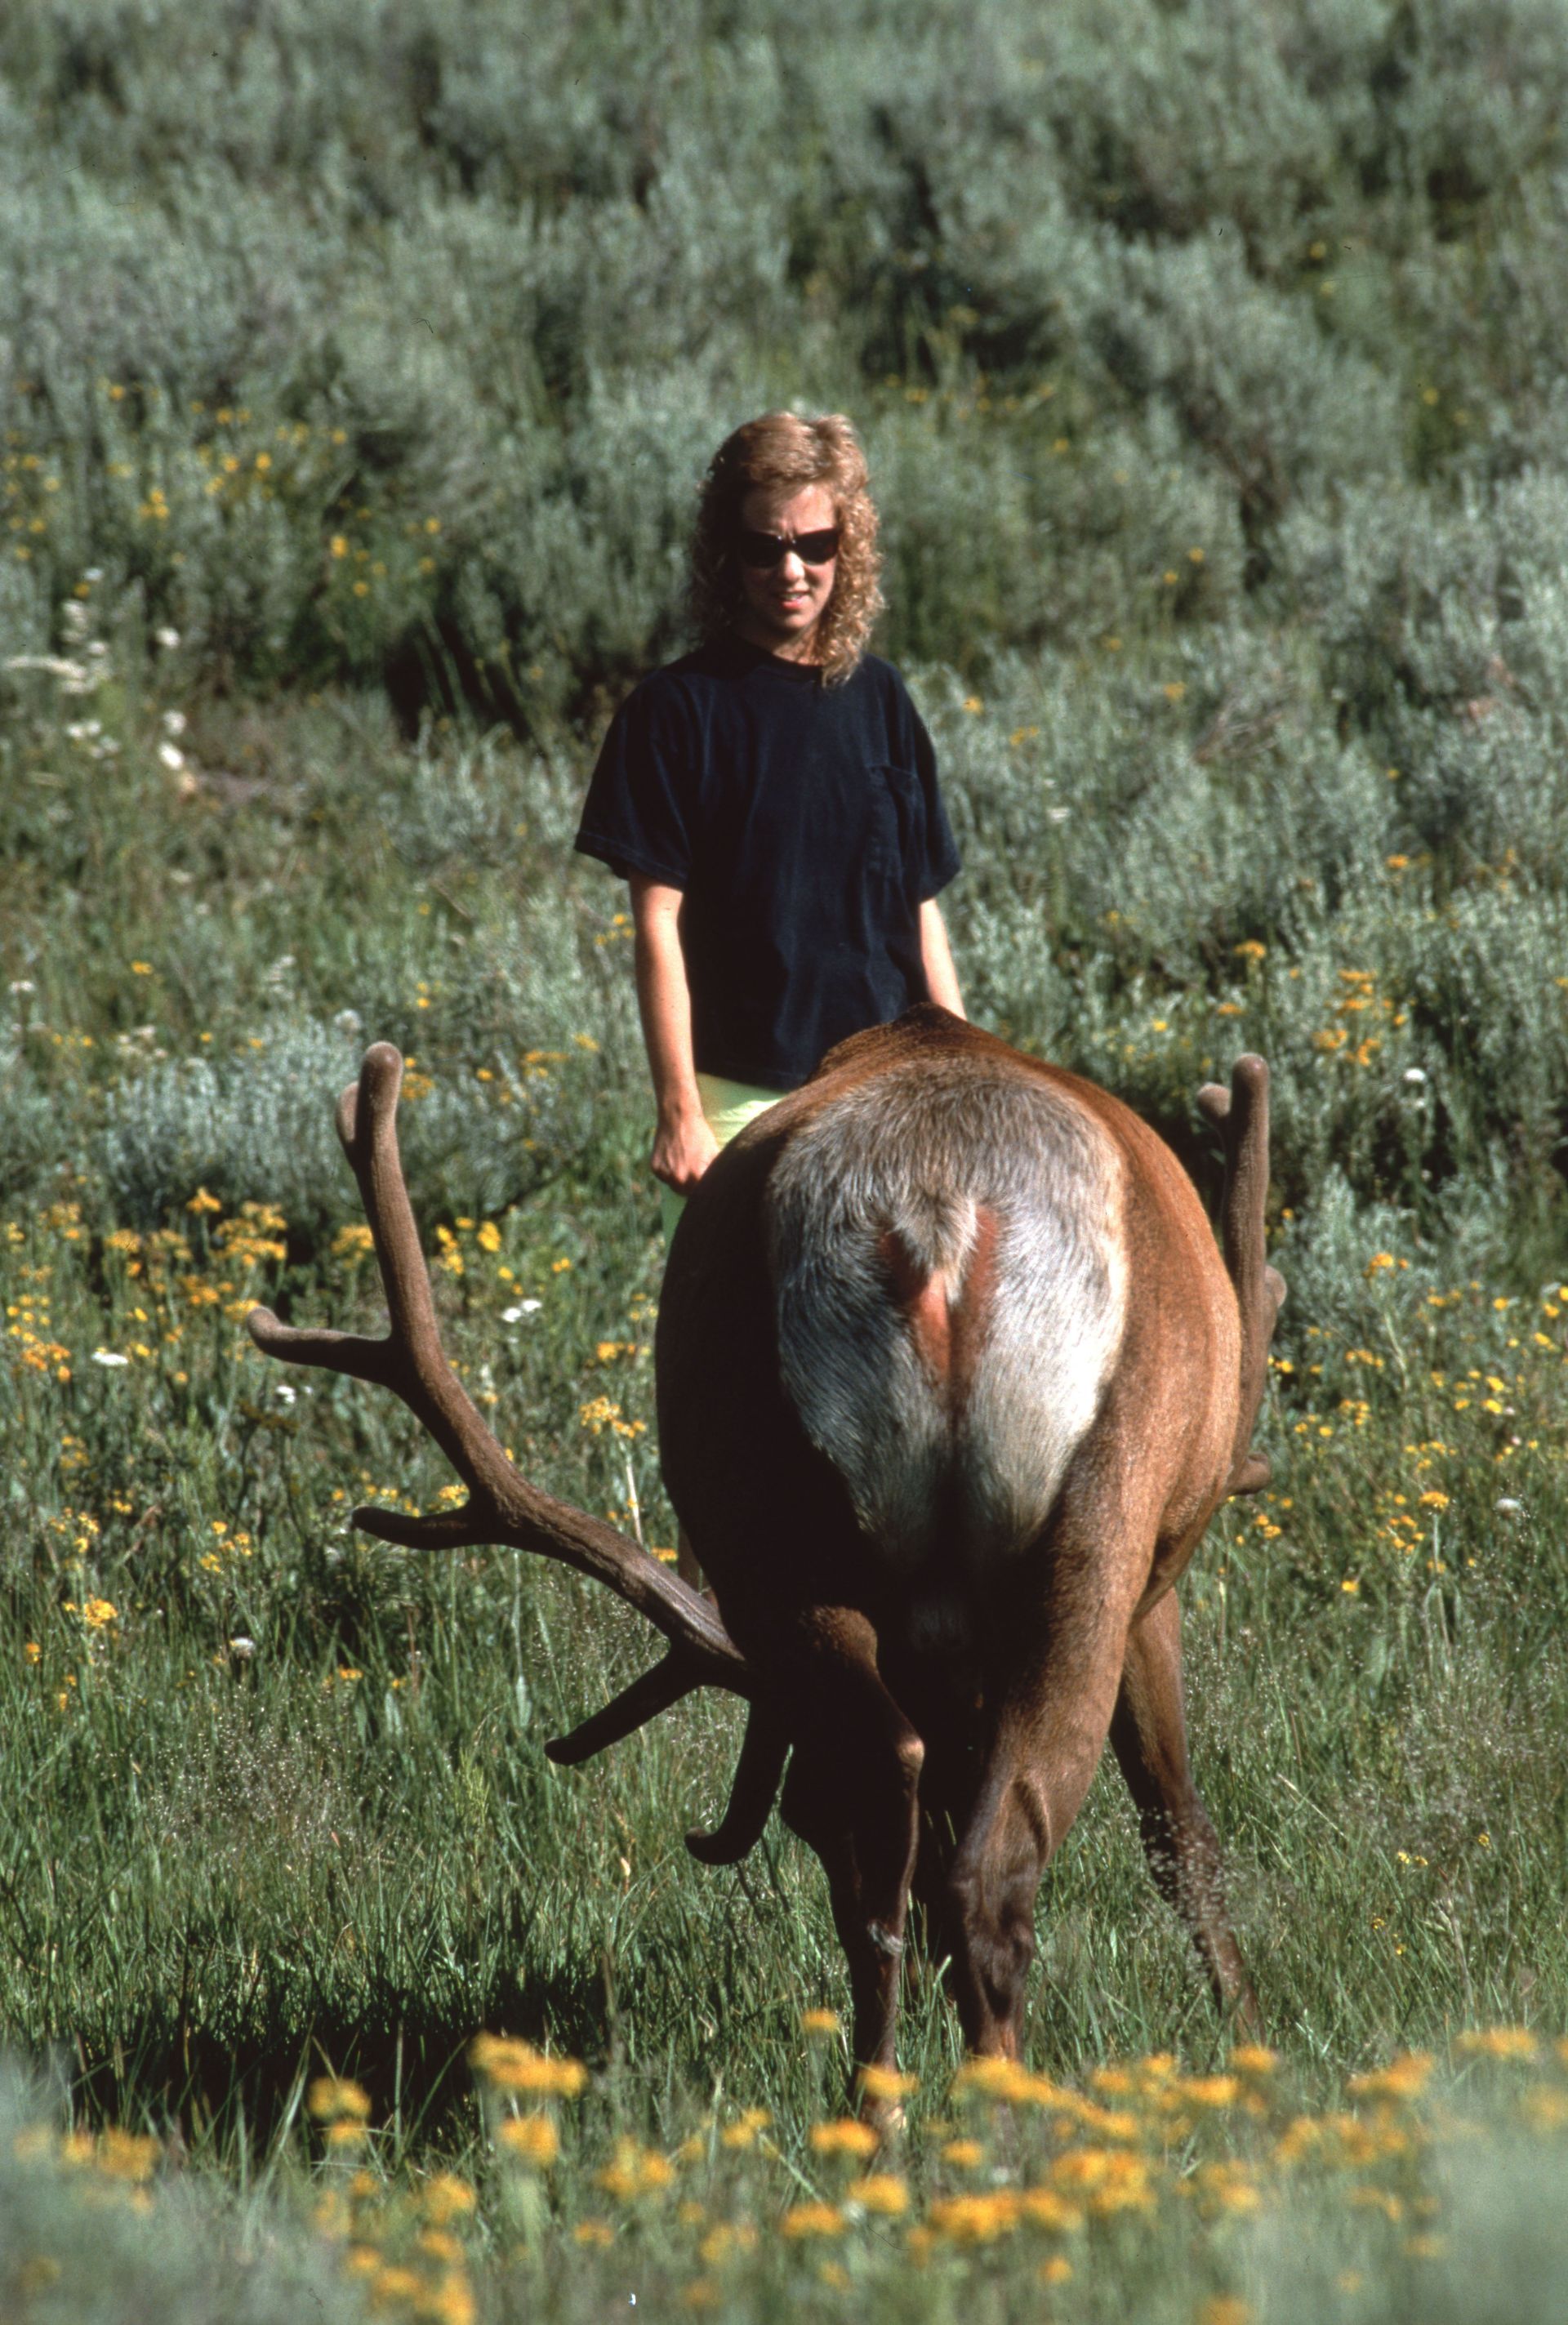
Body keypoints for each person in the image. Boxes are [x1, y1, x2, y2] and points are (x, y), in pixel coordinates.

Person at [575, 410, 965, 1249]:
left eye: (815, 544)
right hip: (740, 1103)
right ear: (729, 555)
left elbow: (920, 912)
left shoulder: (883, 702)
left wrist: (969, 1071)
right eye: (764, 548)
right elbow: (657, 927)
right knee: (742, 1375)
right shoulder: (674, 713)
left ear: (846, 545)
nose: (791, 570)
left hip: (888, 1091)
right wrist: (680, 1112)